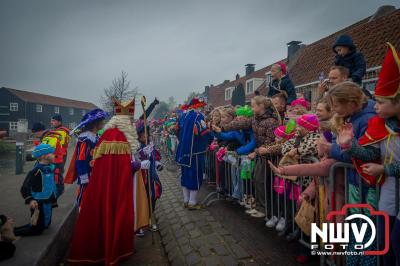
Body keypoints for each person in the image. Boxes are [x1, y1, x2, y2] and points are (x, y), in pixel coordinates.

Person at [336, 43, 400, 266]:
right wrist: (348, 145)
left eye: (381, 102)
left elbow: (378, 160)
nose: (376, 106)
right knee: (379, 238)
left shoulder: (371, 119)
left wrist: (385, 169)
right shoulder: (380, 123)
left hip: (379, 191)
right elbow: (370, 153)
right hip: (385, 196)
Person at [68, 98, 148, 265]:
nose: (133, 125)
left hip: (104, 185)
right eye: (131, 121)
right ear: (124, 122)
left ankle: (106, 250)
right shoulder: (118, 137)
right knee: (115, 214)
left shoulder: (106, 134)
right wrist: (138, 165)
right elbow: (120, 168)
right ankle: (115, 251)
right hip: (116, 187)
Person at [319, 81, 376, 266]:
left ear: (351, 103)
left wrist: (332, 148)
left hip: (367, 186)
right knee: (354, 230)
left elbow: (366, 155)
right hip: (355, 183)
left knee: (365, 235)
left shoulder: (368, 120)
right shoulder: (353, 118)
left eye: (336, 105)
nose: (333, 109)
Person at [64, 109, 108, 206]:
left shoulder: (96, 137)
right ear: (96, 123)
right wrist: (84, 176)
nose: (104, 123)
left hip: (95, 173)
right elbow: (81, 158)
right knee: (84, 197)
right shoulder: (85, 139)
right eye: (102, 121)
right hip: (87, 174)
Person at [176, 98, 211, 210]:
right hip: (194, 152)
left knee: (185, 175)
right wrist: (211, 139)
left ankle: (186, 200)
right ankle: (192, 202)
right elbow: (202, 132)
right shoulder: (198, 116)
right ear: (197, 106)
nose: (202, 108)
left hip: (182, 151)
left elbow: (176, 130)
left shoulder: (183, 116)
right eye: (201, 106)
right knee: (195, 176)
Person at [14, 144, 57, 236]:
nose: (54, 155)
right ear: (43, 156)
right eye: (51, 153)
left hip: (48, 200)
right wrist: (30, 199)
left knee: (46, 224)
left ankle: (18, 229)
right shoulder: (36, 171)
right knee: (36, 230)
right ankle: (12, 232)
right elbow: (25, 187)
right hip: (38, 202)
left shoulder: (50, 168)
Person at [135, 121, 163, 235]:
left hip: (151, 176)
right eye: (143, 134)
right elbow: (136, 161)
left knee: (153, 196)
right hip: (142, 178)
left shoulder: (150, 144)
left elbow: (153, 158)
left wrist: (156, 163)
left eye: (147, 133)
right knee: (144, 199)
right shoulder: (136, 147)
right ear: (139, 135)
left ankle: (149, 218)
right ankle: (141, 223)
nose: (146, 136)